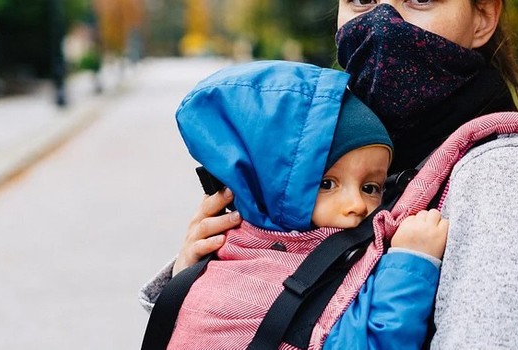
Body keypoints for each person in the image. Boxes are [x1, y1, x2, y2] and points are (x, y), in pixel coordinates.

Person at [141, 0, 518, 348]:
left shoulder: (510, 179)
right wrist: (205, 272)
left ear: (482, 17)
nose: (382, 24)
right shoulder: (333, 143)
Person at [162, 60, 448, 349]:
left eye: (370, 187)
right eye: (326, 184)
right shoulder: (238, 281)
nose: (357, 205)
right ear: (272, 187)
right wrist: (411, 263)